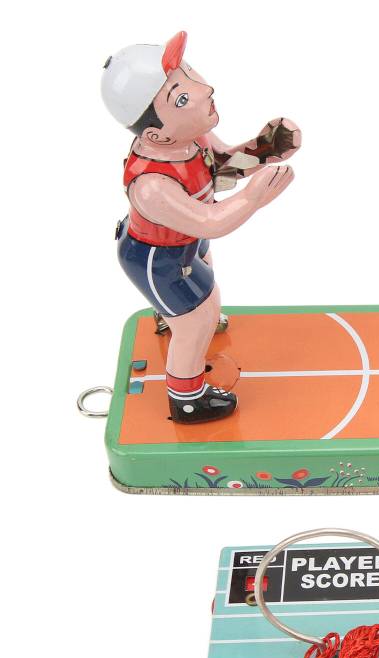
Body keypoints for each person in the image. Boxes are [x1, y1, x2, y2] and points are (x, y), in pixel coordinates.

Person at [101, 31, 300, 423]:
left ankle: (171, 316)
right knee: (199, 318)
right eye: (180, 96)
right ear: (155, 133)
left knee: (202, 288)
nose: (204, 89)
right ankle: (188, 399)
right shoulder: (152, 184)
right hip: (157, 257)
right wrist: (253, 199)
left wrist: (264, 149)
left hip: (185, 242)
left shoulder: (191, 139)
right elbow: (212, 221)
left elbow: (222, 167)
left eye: (189, 74)